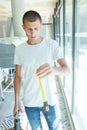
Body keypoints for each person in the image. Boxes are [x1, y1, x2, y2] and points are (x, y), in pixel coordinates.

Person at [13, 10, 70, 130]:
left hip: (50, 101)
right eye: (29, 29)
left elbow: (67, 70)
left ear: (41, 26)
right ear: (23, 27)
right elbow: (18, 76)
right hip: (29, 103)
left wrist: (53, 69)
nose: (33, 33)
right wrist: (16, 100)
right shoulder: (19, 50)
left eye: (36, 28)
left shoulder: (52, 45)